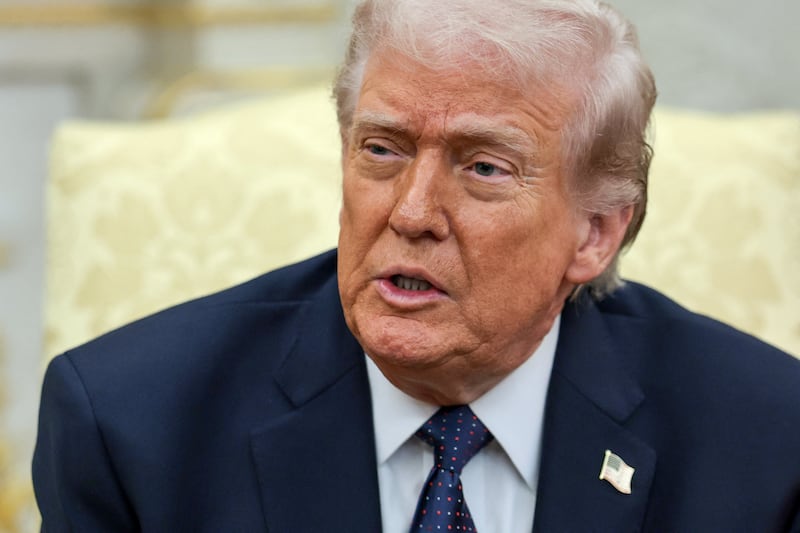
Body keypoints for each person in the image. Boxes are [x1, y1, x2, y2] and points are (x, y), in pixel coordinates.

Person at [33, 0, 800, 531]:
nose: (409, 212)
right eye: (382, 148)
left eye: (485, 168)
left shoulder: (766, 441)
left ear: (595, 233)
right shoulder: (131, 426)